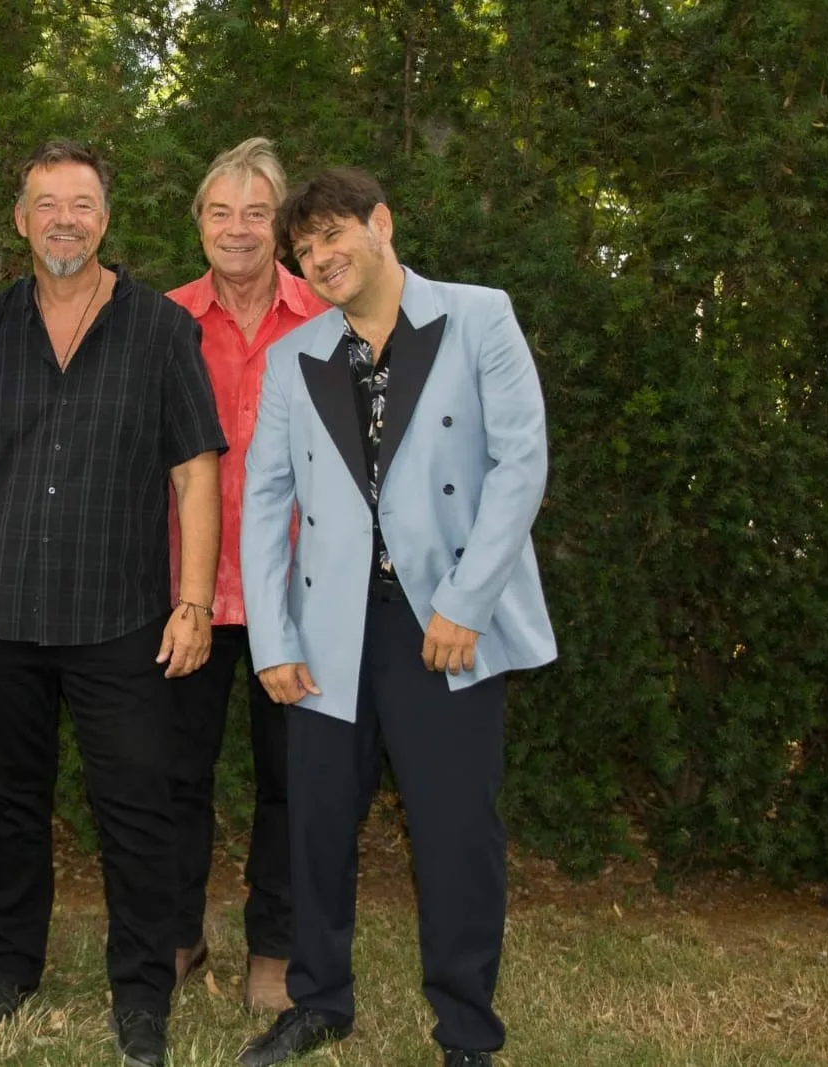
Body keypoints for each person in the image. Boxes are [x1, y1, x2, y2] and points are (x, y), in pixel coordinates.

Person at [235, 167, 557, 1067]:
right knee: (318, 824)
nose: (322, 257)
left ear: (381, 223)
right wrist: (274, 637)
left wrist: (465, 603)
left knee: (457, 832)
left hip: (443, 619)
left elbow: (520, 465)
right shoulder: (295, 355)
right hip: (330, 628)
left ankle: (466, 1031)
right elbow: (265, 504)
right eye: (306, 249)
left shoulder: (478, 316)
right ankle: (319, 1000)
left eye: (334, 236)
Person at [0, 139, 226, 1067]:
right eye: (45, 203)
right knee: (10, 803)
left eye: (83, 204)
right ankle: (9, 971)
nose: (64, 219)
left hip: (121, 616)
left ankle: (142, 993)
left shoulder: (159, 328)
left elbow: (195, 472)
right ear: (20, 219)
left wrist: (192, 604)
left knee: (137, 810)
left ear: (106, 218)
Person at [163, 137, 328, 1014]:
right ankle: (178, 934)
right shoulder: (160, 320)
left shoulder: (326, 316)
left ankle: (277, 944)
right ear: (199, 224)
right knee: (174, 773)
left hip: (297, 595)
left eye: (256, 213)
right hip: (185, 592)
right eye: (220, 212)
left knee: (291, 778)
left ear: (281, 225)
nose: (238, 229)